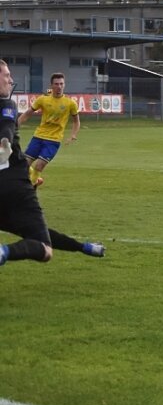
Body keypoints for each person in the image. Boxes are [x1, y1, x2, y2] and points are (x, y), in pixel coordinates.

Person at [0, 60, 104, 267]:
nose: (11, 79)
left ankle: (83, 247)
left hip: (44, 148)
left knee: (33, 228)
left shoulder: (69, 103)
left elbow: (75, 120)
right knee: (42, 245)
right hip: (14, 185)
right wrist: (4, 145)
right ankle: (3, 252)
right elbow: (6, 133)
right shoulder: (7, 105)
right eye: (6, 75)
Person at [17, 72, 80, 188]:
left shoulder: (70, 103)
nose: (59, 86)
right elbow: (27, 113)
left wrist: (73, 135)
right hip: (38, 136)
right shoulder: (43, 99)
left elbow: (76, 121)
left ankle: (31, 188)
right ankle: (36, 180)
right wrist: (16, 124)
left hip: (53, 140)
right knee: (24, 165)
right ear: (51, 85)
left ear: (64, 85)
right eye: (56, 84)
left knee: (39, 166)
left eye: (61, 84)